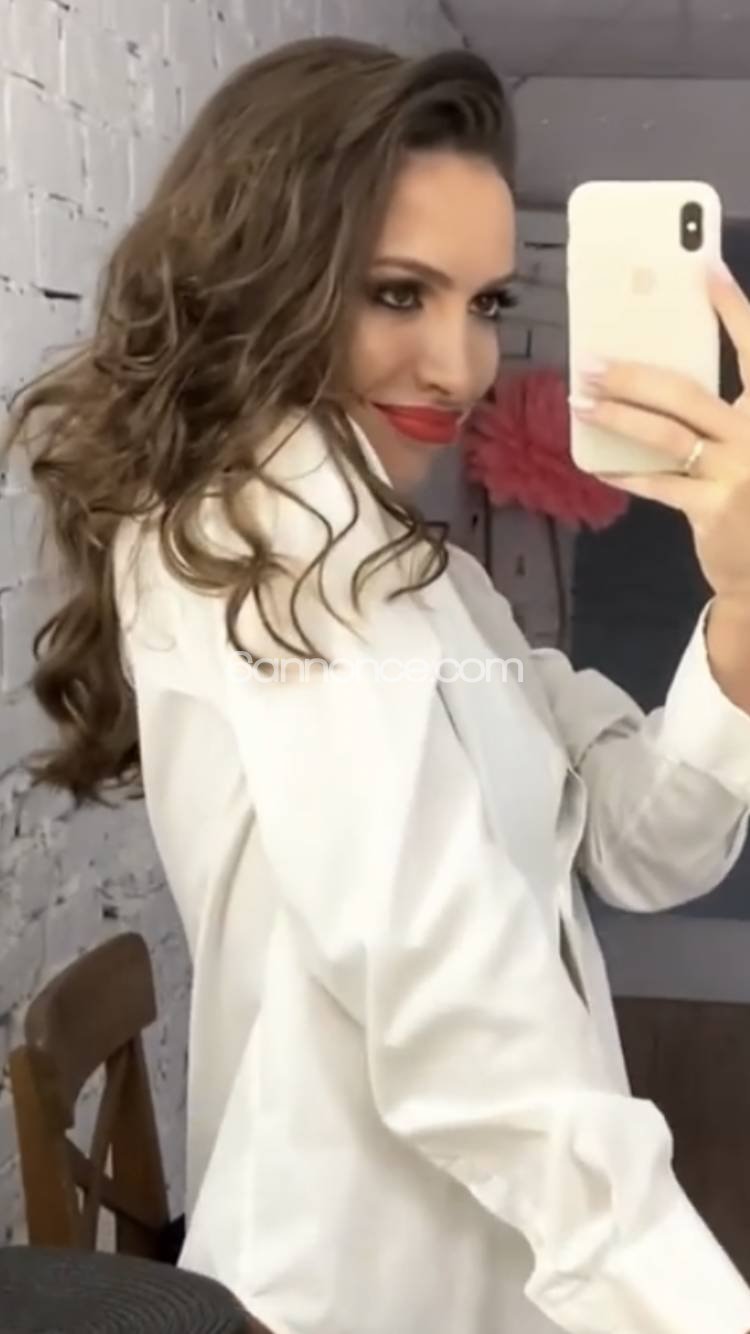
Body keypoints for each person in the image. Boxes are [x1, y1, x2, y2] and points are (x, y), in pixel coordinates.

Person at [7, 34, 750, 1334]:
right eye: (399, 294)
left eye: (485, 304)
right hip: (359, 1287)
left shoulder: (427, 577)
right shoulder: (262, 541)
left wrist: (740, 602)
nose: (461, 367)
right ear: (270, 272)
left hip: (503, 1263)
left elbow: (641, 840)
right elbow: (457, 1011)